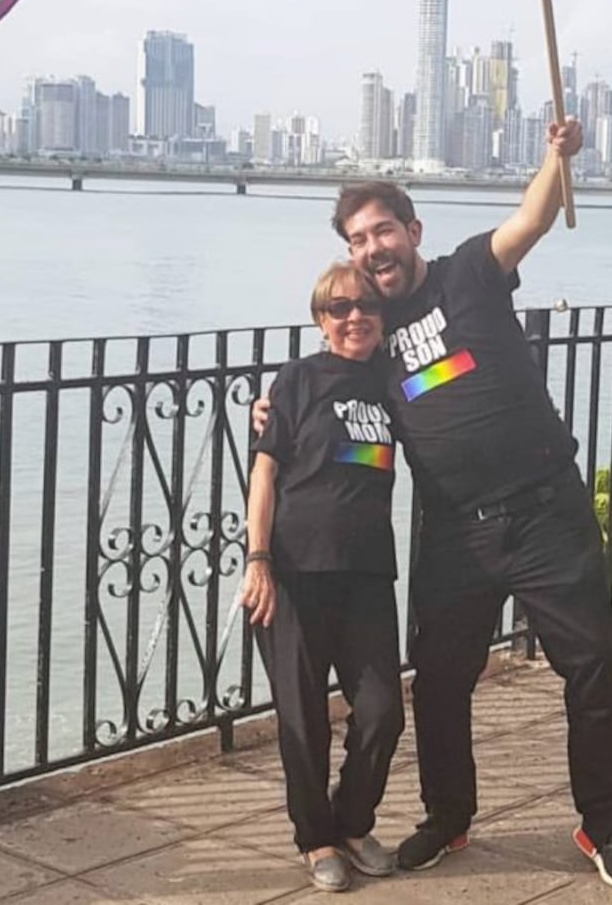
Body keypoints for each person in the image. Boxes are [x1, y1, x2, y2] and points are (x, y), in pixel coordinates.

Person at [254, 119, 612, 893]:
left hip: (544, 511)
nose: (372, 248)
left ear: (412, 230)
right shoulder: (372, 329)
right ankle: (448, 814)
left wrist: (556, 158)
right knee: (437, 681)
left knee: (591, 665)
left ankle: (604, 824)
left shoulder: (468, 272)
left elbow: (531, 217)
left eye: (382, 230)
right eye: (358, 240)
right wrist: (271, 415)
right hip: (456, 529)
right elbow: (324, 393)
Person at [241, 261, 404, 893]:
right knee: (302, 720)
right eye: (339, 308)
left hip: (366, 574)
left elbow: (452, 401)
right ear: (321, 320)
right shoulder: (298, 379)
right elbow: (266, 472)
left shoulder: (396, 385)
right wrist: (258, 560)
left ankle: (352, 820)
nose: (354, 316)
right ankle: (315, 838)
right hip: (294, 572)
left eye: (365, 304)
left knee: (383, 711)